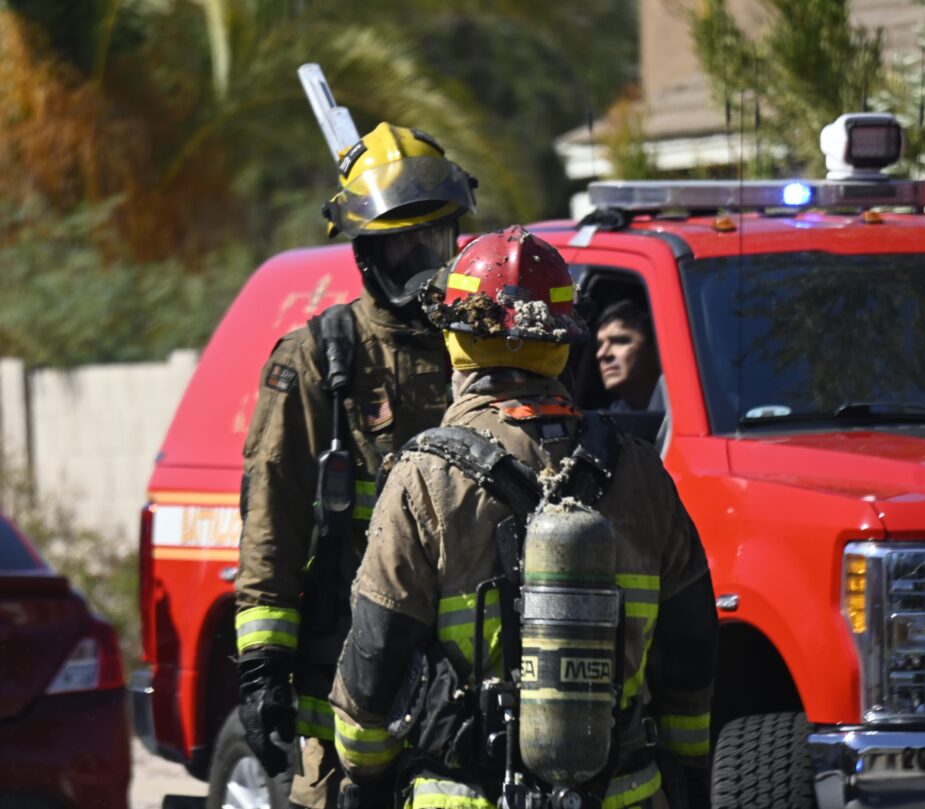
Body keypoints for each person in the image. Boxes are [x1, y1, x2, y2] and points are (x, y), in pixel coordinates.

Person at [329, 226, 719, 809]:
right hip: (626, 794)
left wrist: (364, 773)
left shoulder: (425, 475)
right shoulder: (641, 471)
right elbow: (690, 647)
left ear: (456, 340)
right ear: (562, 342)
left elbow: (376, 651)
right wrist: (687, 770)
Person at [233, 122, 476, 809]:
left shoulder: (482, 348)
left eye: (433, 240)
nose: (420, 261)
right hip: (351, 676)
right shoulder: (320, 358)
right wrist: (263, 667)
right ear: (366, 253)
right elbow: (272, 518)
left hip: (469, 681)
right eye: (400, 245)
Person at [595, 300, 663, 412]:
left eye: (619, 341)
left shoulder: (684, 406)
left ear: (656, 349)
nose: (601, 354)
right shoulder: (614, 415)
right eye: (600, 345)